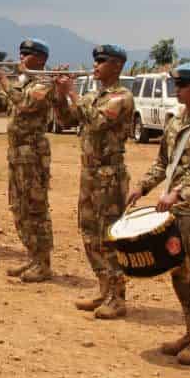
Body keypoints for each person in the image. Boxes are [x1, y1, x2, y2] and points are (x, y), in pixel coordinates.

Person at [127, 62, 190, 362]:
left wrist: (177, 193)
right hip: (170, 215)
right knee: (179, 275)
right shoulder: (175, 122)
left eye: (182, 85)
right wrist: (142, 187)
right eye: (176, 86)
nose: (177, 90)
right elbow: (162, 163)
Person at [53, 44, 135, 318]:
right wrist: (59, 96)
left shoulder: (121, 97)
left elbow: (98, 121)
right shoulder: (93, 95)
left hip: (109, 176)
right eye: (96, 61)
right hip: (89, 173)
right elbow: (65, 120)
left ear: (117, 66)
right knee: (89, 233)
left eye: (103, 61)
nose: (96, 65)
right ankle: (103, 288)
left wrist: (73, 94)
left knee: (108, 236)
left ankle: (118, 297)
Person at [0, 39, 56, 282]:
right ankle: (32, 255)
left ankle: (43, 261)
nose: (22, 57)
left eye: (28, 53)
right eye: (21, 52)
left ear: (40, 59)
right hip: (17, 153)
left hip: (33, 154)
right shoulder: (22, 83)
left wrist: (5, 82)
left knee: (35, 207)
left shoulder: (44, 83)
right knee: (18, 206)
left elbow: (27, 104)